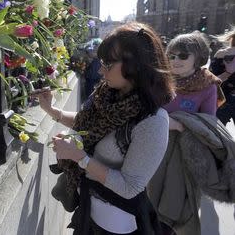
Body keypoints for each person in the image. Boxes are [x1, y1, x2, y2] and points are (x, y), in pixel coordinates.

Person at [34, 22, 174, 234]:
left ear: (135, 65)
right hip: (87, 209)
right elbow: (86, 123)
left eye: (108, 64)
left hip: (114, 223)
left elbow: (130, 187)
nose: (100, 70)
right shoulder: (107, 94)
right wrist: (52, 111)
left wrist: (79, 157)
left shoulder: (153, 121)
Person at [148, 31, 228, 235]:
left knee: (177, 209)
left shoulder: (208, 85)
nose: (176, 60)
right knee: (150, 204)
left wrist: (179, 124)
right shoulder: (160, 79)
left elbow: (208, 124)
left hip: (184, 156)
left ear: (198, 57)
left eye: (183, 56)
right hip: (155, 150)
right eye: (172, 55)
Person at [210, 28, 235, 126]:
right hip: (224, 100)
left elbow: (211, 80)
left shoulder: (222, 53)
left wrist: (228, 73)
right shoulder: (222, 54)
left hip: (223, 99)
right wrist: (229, 72)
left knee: (216, 134)